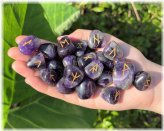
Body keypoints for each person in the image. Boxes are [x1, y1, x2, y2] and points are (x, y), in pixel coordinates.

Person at [8, 29, 162, 114]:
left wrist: (156, 96)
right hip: (80, 70)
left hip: (95, 72)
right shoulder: (67, 63)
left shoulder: (100, 63)